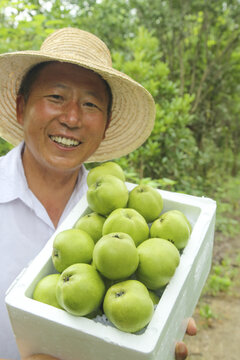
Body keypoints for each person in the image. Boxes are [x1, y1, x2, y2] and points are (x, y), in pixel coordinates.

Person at [0, 27, 196, 360]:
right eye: (56, 98)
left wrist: (156, 327)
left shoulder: (121, 214)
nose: (72, 118)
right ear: (21, 108)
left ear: (105, 128)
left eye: (90, 104)